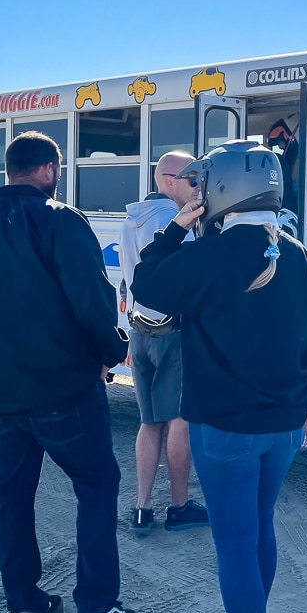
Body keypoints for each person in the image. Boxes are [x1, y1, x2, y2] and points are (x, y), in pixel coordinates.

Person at [131, 140, 307, 613]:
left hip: (224, 428)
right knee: (259, 527)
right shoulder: (295, 251)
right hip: (284, 426)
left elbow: (147, 282)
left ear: (221, 190)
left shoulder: (213, 254)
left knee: (234, 541)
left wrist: (177, 227)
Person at [0, 131, 136, 613]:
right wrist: (115, 351)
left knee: (12, 495)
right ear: (49, 169)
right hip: (63, 392)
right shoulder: (60, 220)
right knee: (95, 486)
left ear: (9, 170)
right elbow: (91, 299)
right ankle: (96, 604)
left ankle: (24, 608)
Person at [118, 152, 210, 536]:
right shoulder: (172, 222)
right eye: (192, 179)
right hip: (172, 333)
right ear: (168, 180)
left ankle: (141, 507)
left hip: (139, 332)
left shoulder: (131, 218)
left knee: (148, 422)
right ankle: (178, 506)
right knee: (178, 421)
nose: (198, 187)